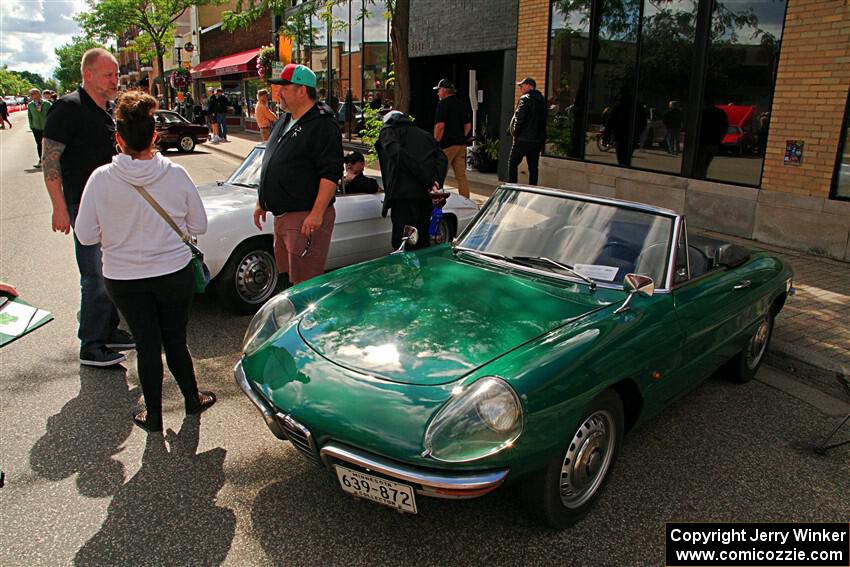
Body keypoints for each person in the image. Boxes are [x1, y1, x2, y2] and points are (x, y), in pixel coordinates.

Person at [74, 91, 214, 433]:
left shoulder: (101, 179)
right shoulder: (176, 174)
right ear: (155, 135)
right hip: (173, 273)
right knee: (176, 340)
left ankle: (153, 416)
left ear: (119, 138)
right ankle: (191, 399)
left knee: (147, 344)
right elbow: (200, 226)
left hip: (123, 279)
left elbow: (86, 235)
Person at [41, 47, 134, 367]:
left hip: (110, 208)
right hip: (83, 205)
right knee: (94, 275)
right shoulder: (68, 108)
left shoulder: (107, 110)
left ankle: (107, 330)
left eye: (116, 74)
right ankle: (91, 344)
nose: (115, 79)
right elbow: (49, 160)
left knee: (109, 272)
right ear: (88, 75)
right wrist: (59, 207)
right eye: (108, 74)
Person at [254, 64, 342, 286]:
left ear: (302, 90)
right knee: (287, 279)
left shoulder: (322, 124)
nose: (278, 93)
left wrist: (316, 213)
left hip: (304, 217)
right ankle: (291, 319)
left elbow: (330, 174)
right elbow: (272, 160)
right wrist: (261, 200)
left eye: (284, 87)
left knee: (305, 283)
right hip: (283, 215)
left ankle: (306, 321)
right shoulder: (286, 118)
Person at [377, 110, 448, 250]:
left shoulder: (388, 131)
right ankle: (422, 269)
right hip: (424, 196)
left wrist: (427, 180)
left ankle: (406, 271)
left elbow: (397, 154)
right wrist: (435, 182)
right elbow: (442, 158)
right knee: (421, 239)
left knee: (403, 242)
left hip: (403, 196)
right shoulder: (425, 135)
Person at [433, 79, 471, 198]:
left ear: (444, 90)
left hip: (447, 146)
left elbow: (440, 126)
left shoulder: (442, 104)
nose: (438, 93)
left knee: (438, 174)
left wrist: (435, 142)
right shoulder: (461, 104)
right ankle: (466, 200)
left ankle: (436, 199)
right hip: (460, 144)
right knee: (461, 176)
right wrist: (460, 136)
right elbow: (468, 125)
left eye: (439, 90)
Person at [508, 77, 546, 185]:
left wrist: (515, 133)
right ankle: (532, 189)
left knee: (513, 162)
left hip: (523, 139)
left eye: (522, 86)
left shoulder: (525, 98)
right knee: (533, 167)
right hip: (537, 140)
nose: (520, 88)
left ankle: (512, 187)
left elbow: (519, 118)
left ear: (529, 86)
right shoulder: (542, 100)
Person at [694, 94, 729, 178]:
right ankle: (702, 176)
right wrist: (720, 139)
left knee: (699, 164)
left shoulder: (702, 112)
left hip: (703, 142)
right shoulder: (721, 112)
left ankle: (699, 178)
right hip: (714, 142)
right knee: (705, 164)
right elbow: (725, 127)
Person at [27, 88, 51, 168]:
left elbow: (52, 114)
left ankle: (49, 161)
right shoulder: (30, 105)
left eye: (33, 93)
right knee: (39, 144)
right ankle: (40, 160)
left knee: (47, 144)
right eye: (31, 94)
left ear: (38, 94)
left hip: (46, 127)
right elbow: (29, 116)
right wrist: (31, 125)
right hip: (36, 127)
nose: (31, 95)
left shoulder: (47, 104)